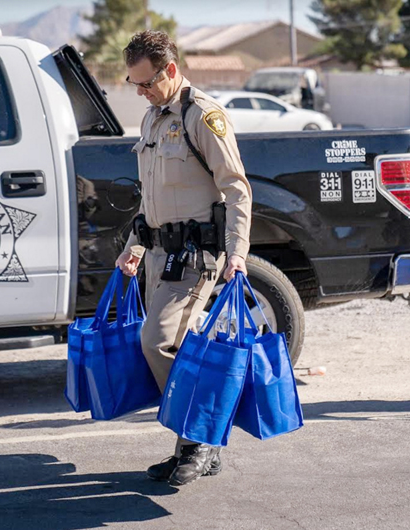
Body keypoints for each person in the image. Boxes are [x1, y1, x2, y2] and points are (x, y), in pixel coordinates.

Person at [115, 30, 252, 486]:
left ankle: (200, 442)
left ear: (170, 70)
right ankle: (188, 448)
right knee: (183, 351)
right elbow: (149, 197)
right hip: (157, 257)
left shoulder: (203, 117)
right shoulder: (153, 119)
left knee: (157, 342)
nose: (141, 92)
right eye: (135, 85)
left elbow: (237, 189)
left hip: (194, 260)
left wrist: (237, 253)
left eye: (147, 83)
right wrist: (134, 246)